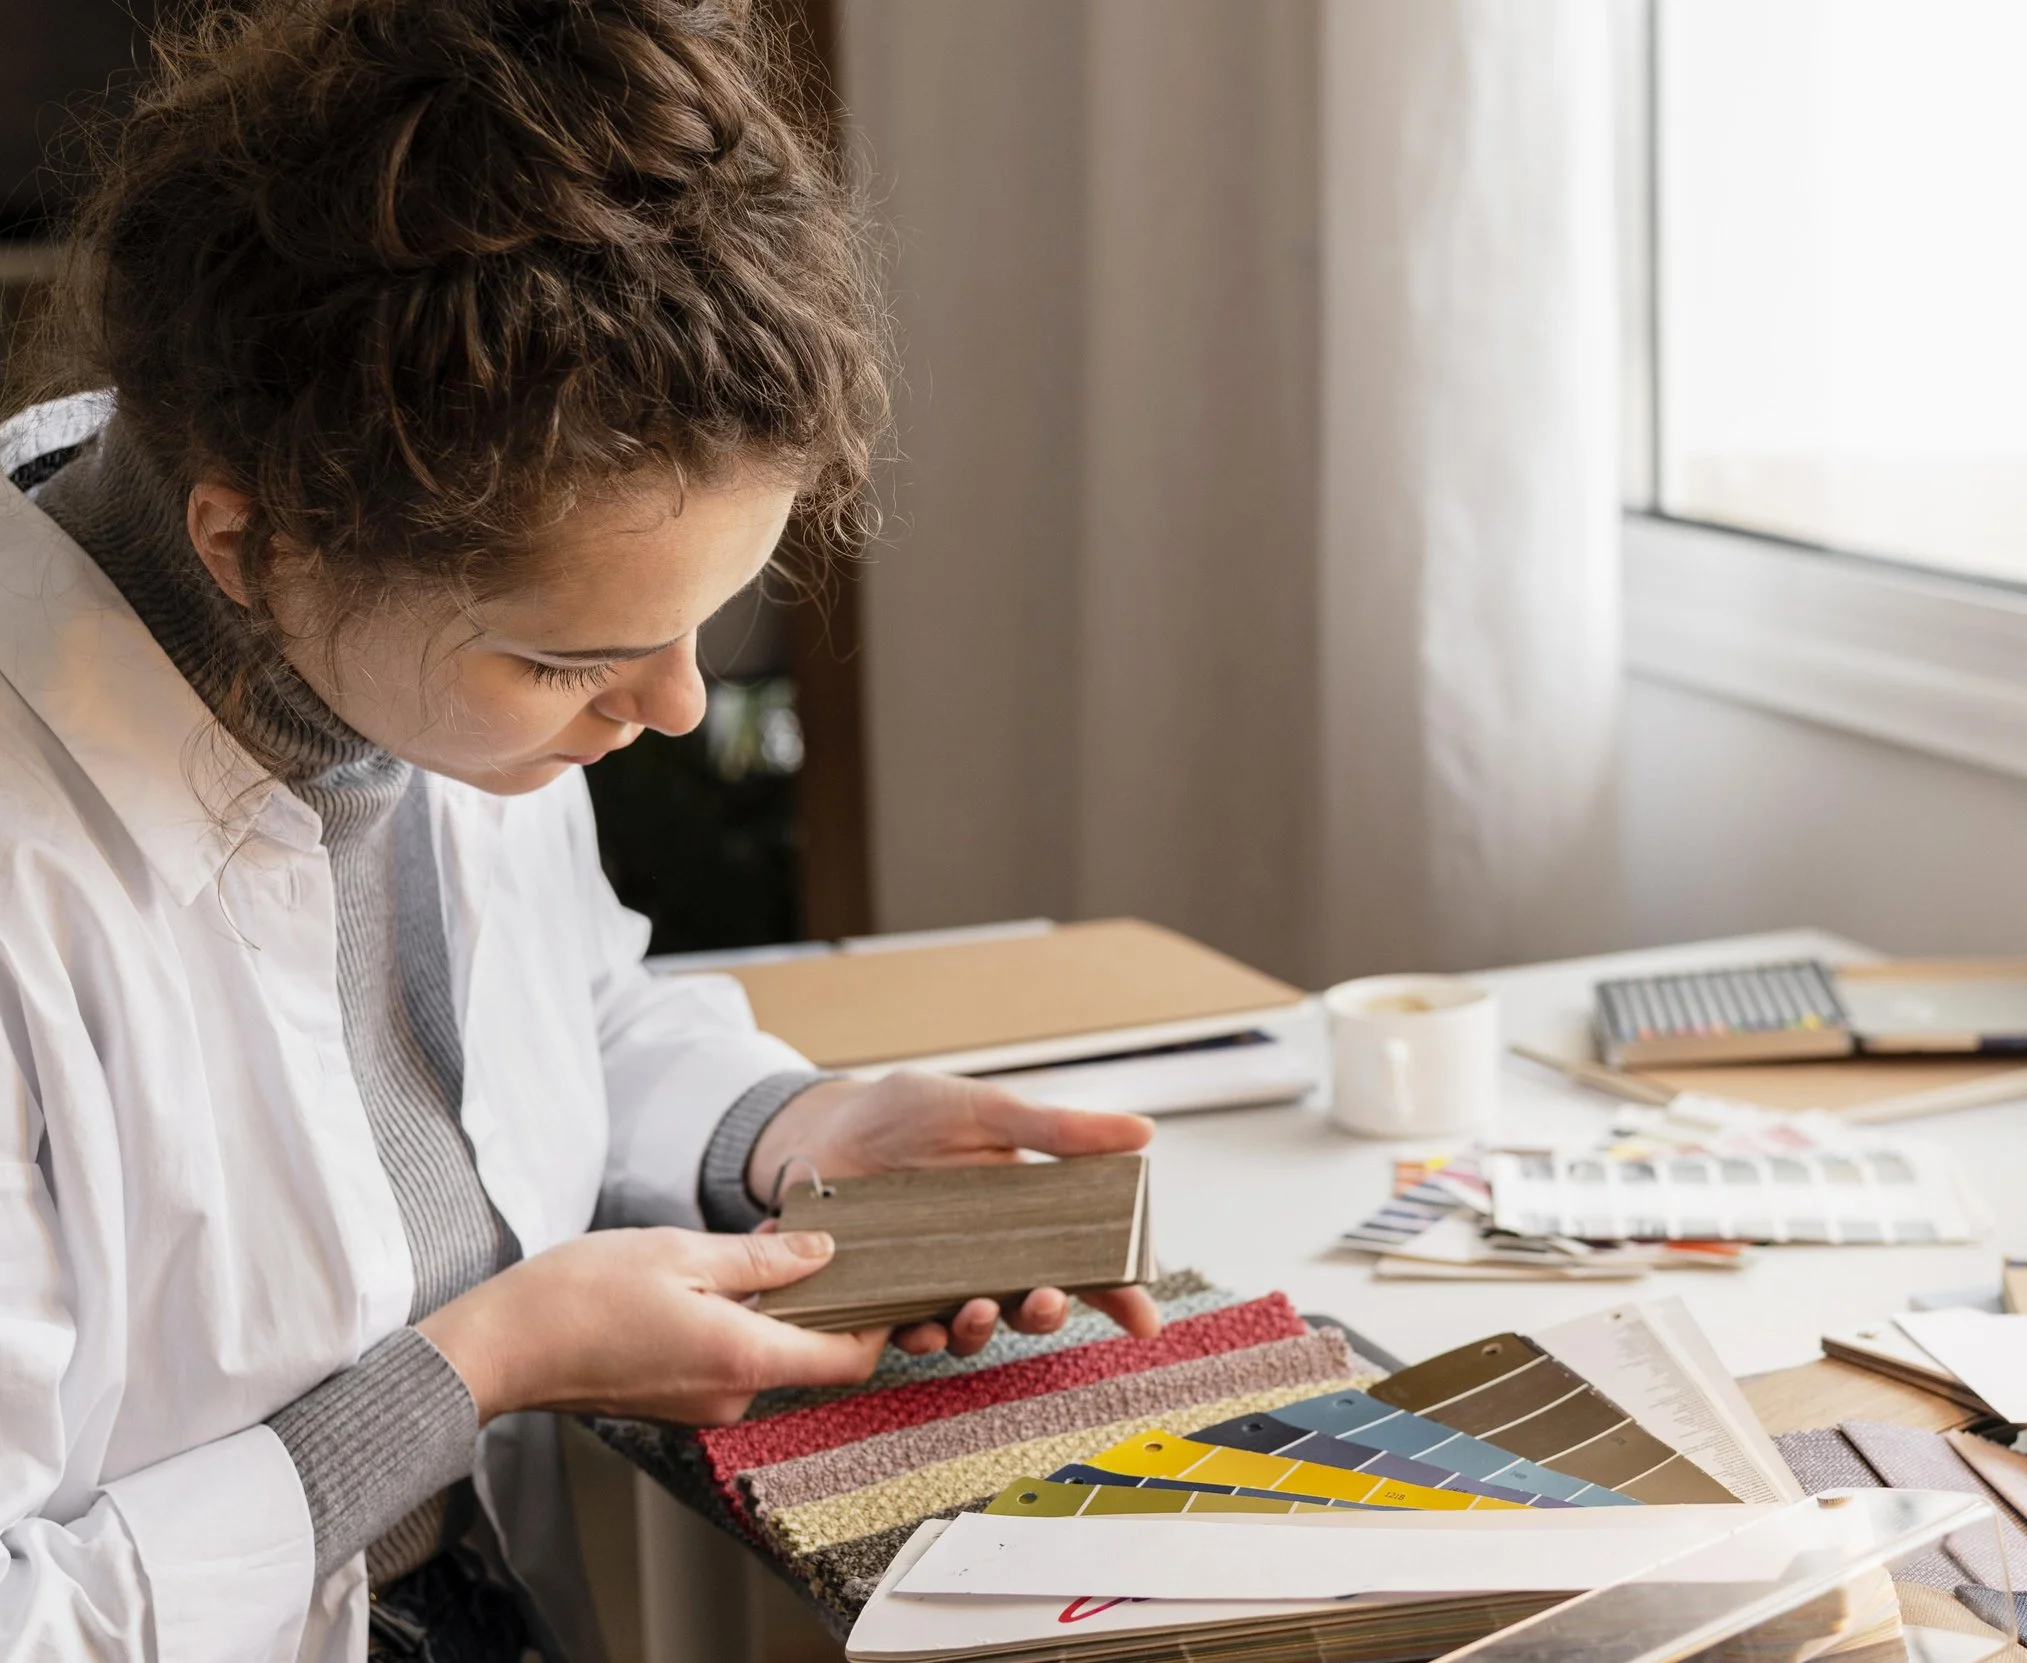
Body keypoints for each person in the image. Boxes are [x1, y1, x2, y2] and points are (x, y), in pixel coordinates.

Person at [0, 1, 1159, 1658]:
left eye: (697, 625)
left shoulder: (397, 652)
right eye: (575, 657)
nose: (675, 709)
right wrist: (485, 1365)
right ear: (250, 543)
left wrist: (791, 1130)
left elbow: (557, 1020)